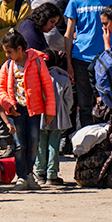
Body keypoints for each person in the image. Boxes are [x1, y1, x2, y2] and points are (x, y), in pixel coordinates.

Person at [63, 0, 112, 127]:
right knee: (85, 104)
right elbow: (68, 33)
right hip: (81, 60)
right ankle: (87, 145)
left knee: (109, 102)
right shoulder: (75, 1)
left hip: (106, 60)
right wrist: (69, 63)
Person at [0, 30, 55, 190]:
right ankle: (22, 177)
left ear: (20, 49)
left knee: (34, 144)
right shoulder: (7, 66)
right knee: (20, 145)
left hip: (35, 111)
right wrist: (8, 104)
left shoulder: (37, 61)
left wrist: (50, 110)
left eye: (9, 52)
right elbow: (0, 88)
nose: (7, 55)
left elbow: (47, 86)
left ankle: (29, 174)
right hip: (16, 112)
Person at [36, 50, 74, 186]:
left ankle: (40, 173)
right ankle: (52, 175)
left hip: (40, 116)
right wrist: (66, 111)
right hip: (58, 117)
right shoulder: (63, 79)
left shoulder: (37, 77)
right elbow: (69, 100)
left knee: (40, 145)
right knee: (54, 145)